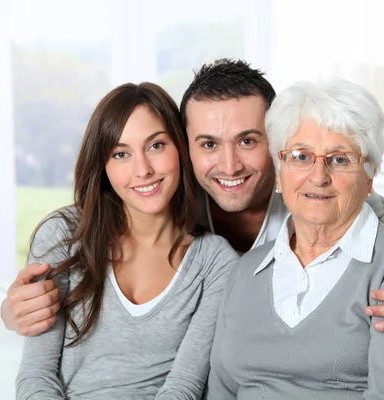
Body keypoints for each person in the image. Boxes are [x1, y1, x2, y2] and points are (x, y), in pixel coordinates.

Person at [2, 59, 384, 348]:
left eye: (247, 140)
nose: (229, 165)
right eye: (207, 144)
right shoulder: (165, 216)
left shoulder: (325, 202)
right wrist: (12, 312)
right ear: (185, 147)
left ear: (276, 140)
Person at [206, 79, 384, 399]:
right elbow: (221, 391)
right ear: (280, 171)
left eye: (340, 159)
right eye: (301, 157)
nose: (318, 177)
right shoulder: (244, 272)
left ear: (370, 177)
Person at [15, 82, 238, 399]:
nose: (143, 170)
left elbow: (184, 387)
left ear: (180, 147)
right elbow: (36, 377)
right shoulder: (62, 236)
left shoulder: (215, 262)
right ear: (103, 167)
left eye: (156, 146)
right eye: (121, 154)